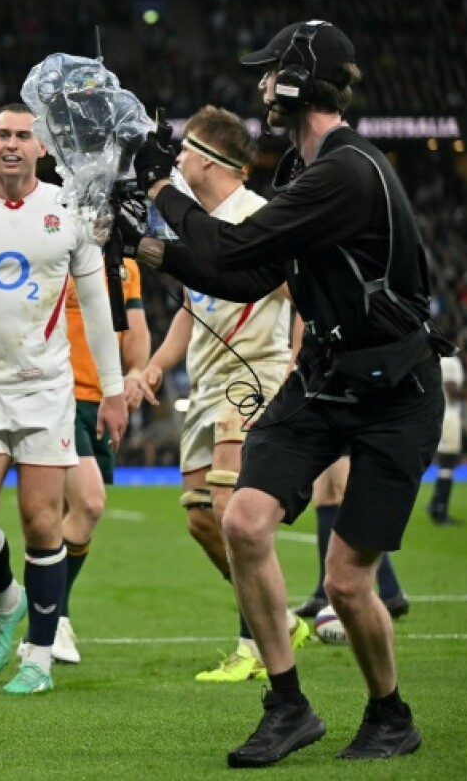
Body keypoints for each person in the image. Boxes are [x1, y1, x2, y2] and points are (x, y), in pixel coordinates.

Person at [124, 21, 450, 766]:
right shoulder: (303, 174)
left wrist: (158, 192)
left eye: (272, 73)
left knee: (346, 581)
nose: (263, 86)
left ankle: (389, 714)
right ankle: (288, 706)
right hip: (330, 378)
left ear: (301, 81)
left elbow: (235, 251)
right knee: (241, 521)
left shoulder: (343, 172)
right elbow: (240, 279)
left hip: (395, 390)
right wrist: (144, 242)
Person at [0, 103, 128, 695]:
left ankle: (38, 657)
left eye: (25, 136)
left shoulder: (69, 211)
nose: (13, 144)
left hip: (46, 389)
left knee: (43, 521)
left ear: (42, 148)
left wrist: (112, 391)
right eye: (4, 135)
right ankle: (7, 599)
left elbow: (96, 308)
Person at [133, 106, 309, 681]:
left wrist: (294, 368)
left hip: (252, 377)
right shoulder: (197, 224)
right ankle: (277, 616)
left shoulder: (258, 218)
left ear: (208, 162)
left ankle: (255, 645)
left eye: (184, 153)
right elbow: (190, 309)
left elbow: (302, 293)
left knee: (233, 511)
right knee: (200, 519)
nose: (177, 161)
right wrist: (157, 366)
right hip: (206, 386)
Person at [46, 255, 149, 665]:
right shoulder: (54, 252)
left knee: (71, 513)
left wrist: (137, 370)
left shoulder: (125, 266)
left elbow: (133, 326)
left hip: (102, 401)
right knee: (88, 504)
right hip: (58, 395)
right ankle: (49, 615)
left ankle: (55, 616)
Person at [295, 456, 410, 618]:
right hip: (322, 431)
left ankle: (390, 590)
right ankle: (323, 594)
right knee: (324, 496)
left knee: (348, 492)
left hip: (342, 432)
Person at [426, 353, 466, 525]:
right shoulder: (450, 362)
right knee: (448, 463)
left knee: (446, 464)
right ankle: (439, 508)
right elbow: (451, 390)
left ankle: (435, 503)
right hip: (449, 416)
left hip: (442, 414)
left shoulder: (440, 360)